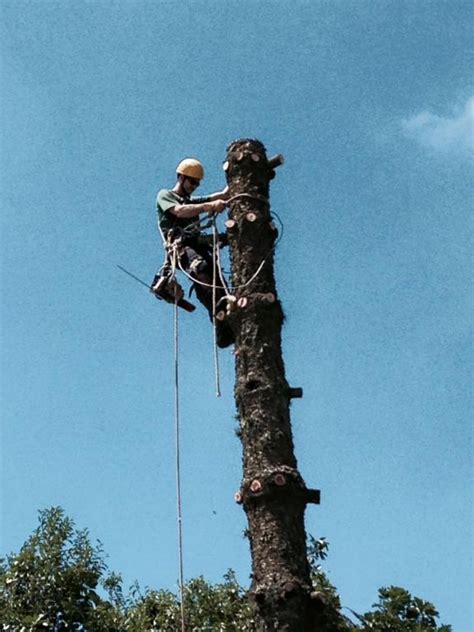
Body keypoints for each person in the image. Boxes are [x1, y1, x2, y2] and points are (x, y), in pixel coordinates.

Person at [151, 158, 234, 348]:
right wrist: (209, 207)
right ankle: (220, 316)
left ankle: (224, 324)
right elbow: (179, 211)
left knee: (217, 277)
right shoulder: (166, 195)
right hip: (182, 247)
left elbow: (218, 196)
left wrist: (232, 184)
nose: (194, 186)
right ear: (181, 177)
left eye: (197, 183)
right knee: (201, 269)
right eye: (192, 182)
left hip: (197, 245)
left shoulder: (190, 200)